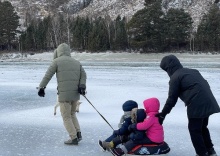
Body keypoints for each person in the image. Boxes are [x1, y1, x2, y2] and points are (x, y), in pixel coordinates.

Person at [157, 54, 220, 156]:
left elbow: (171, 99)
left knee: (194, 130)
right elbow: (205, 84)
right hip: (208, 100)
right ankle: (210, 150)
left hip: (197, 103)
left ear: (168, 68)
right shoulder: (193, 71)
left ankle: (202, 153)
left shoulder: (175, 77)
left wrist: (162, 114)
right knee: (202, 127)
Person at [38, 43, 87, 145]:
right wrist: (82, 86)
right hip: (75, 94)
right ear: (68, 51)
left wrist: (42, 87)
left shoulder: (56, 61)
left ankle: (73, 138)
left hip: (64, 95)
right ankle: (78, 133)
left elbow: (48, 75)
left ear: (58, 51)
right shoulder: (76, 62)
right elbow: (84, 75)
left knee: (66, 117)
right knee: (72, 114)